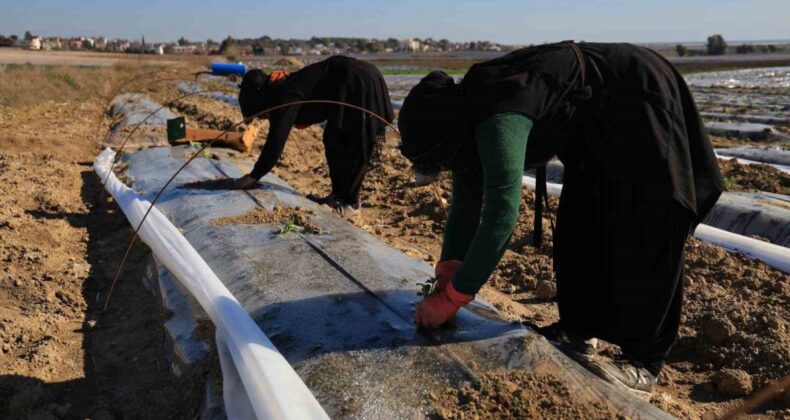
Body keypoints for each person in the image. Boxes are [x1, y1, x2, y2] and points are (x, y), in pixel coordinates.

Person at [398, 41, 723, 398]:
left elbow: (501, 217)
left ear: (445, 138)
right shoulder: (463, 123)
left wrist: (452, 299)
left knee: (646, 222)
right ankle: (577, 331)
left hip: (637, 99)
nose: (444, 168)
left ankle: (644, 363)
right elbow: (465, 205)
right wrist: (446, 272)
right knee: (579, 224)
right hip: (591, 127)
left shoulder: (496, 118)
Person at [234, 56, 394, 213]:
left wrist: (254, 176)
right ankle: (338, 196)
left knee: (354, 141)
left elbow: (276, 140)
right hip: (353, 77)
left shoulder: (284, 95)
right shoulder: (284, 86)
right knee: (333, 139)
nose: (263, 118)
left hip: (358, 82)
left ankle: (350, 203)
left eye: (261, 115)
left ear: (259, 98)